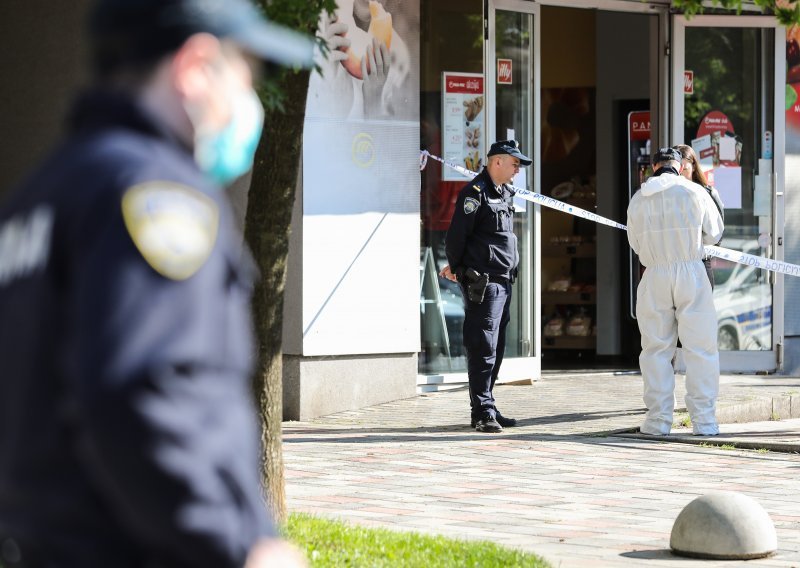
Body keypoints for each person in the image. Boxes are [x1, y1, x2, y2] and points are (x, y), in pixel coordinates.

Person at [0, 1, 314, 567]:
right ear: (196, 67)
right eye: (245, 70)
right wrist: (237, 545)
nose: (250, 98)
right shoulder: (157, 195)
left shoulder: (40, 194)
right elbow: (147, 391)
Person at [627, 147, 724, 437]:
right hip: (691, 270)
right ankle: (704, 422)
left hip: (654, 273)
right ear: (680, 166)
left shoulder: (638, 198)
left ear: (653, 167)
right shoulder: (694, 192)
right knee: (701, 349)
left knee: (655, 349)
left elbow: (634, 241)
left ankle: (657, 420)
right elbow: (714, 232)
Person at [439, 140, 532, 433]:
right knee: (483, 345)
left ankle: (488, 403)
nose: (518, 169)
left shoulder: (503, 193)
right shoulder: (474, 194)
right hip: (485, 282)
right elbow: (456, 238)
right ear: (497, 162)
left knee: (497, 345)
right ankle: (481, 412)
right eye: (514, 163)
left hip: (503, 280)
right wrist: (459, 269)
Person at [674, 144, 725, 288]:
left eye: (685, 168)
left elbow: (718, 232)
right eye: (677, 170)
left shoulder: (708, 193)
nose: (681, 173)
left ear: (694, 166)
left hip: (700, 263)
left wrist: (703, 251)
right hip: (672, 265)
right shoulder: (666, 195)